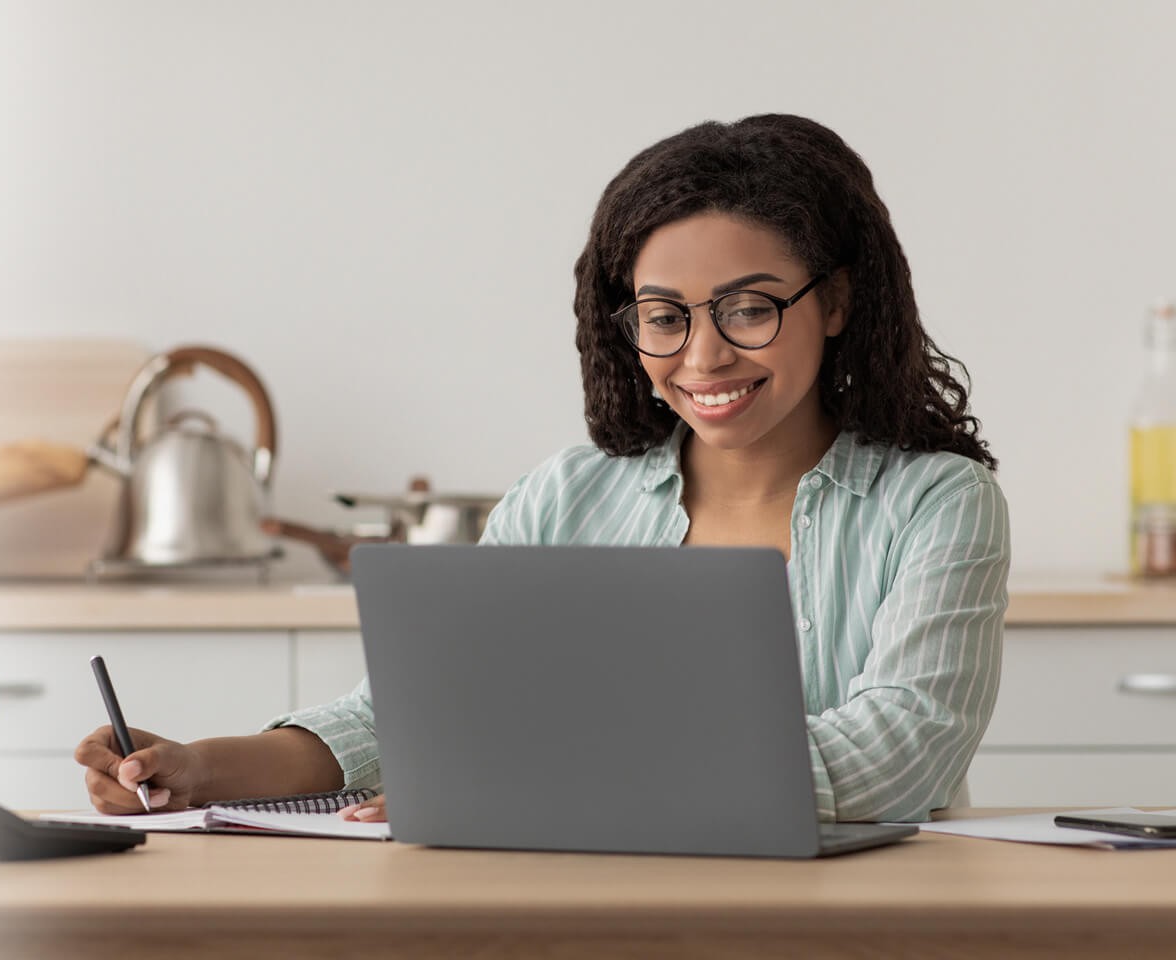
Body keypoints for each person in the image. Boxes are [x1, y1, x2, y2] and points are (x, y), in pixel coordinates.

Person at [71, 114, 1009, 825]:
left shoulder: (937, 502)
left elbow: (902, 750)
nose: (705, 357)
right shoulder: (567, 496)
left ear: (837, 299)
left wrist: (545, 781)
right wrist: (200, 769)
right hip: (585, 916)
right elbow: (416, 715)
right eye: (664, 315)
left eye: (749, 308)